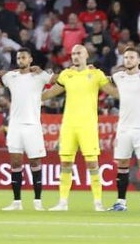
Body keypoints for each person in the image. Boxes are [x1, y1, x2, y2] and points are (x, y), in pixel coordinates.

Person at [42, 44, 108, 212]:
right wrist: (30, 97)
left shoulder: (96, 74)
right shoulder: (66, 74)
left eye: (79, 53)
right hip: (69, 126)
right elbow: (50, 93)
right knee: (65, 164)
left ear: (87, 55)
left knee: (93, 164)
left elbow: (112, 91)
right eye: (73, 54)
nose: (75, 56)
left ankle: (98, 202)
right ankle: (63, 202)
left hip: (87, 126)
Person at [0, 49, 51, 211]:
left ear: (30, 59)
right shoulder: (11, 77)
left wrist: (44, 71)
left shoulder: (39, 76)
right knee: (15, 162)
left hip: (32, 126)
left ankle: (38, 201)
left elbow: (57, 79)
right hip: (15, 126)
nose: (20, 60)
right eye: (18, 57)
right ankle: (17, 202)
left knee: (35, 162)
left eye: (23, 57)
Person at [108, 45, 140, 212]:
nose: (128, 60)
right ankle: (121, 202)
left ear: (139, 60)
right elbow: (102, 81)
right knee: (122, 164)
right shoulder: (118, 76)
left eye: (131, 57)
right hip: (124, 128)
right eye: (126, 57)